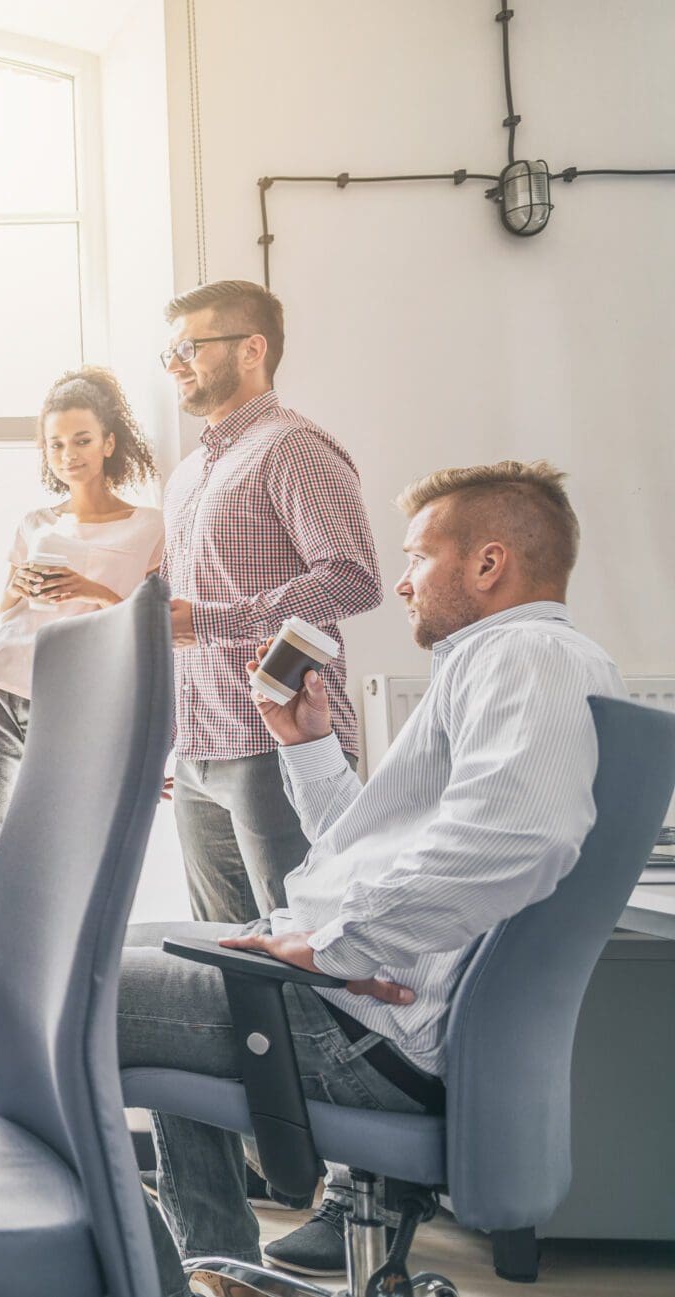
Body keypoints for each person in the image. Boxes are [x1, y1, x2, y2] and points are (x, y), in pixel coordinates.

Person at [123, 461, 620, 1295]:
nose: (399, 581)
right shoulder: (503, 660)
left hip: (357, 1026)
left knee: (71, 993)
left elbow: (520, 835)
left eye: (419, 556)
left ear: (488, 563)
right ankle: (211, 1263)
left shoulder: (527, 655)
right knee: (133, 943)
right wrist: (307, 741)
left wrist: (334, 945)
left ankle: (150, 1276)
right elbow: (368, 851)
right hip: (357, 1001)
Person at [159, 281, 383, 930]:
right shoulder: (185, 477)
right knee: (222, 953)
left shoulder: (294, 448)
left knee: (305, 944)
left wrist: (210, 621)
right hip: (198, 758)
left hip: (278, 747)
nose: (174, 364)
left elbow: (353, 578)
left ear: (251, 348)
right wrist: (173, 740)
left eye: (187, 347)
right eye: (167, 353)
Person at [0, 367, 162, 887]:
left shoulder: (150, 526)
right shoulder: (35, 522)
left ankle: (60, 968)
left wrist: (87, 588)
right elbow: (5, 612)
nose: (68, 454)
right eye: (56, 445)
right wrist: (24, 584)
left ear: (109, 443)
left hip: (77, 693)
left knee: (72, 846)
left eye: (81, 440)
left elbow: (153, 626)